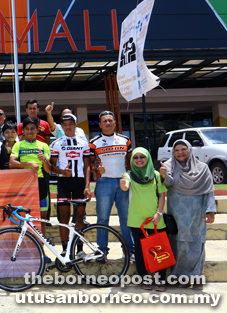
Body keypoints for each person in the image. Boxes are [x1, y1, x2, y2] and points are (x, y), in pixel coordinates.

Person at [161, 139, 217, 290]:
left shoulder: (203, 168)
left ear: (190, 150)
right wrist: (164, 176)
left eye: (183, 149)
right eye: (177, 150)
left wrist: (210, 210)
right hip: (177, 213)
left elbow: (209, 191)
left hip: (197, 213)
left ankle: (197, 277)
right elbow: (168, 183)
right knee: (178, 244)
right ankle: (182, 278)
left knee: (197, 244)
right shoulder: (168, 165)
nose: (180, 153)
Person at [89, 110, 135, 260]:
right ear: (100, 124)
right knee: (102, 218)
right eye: (105, 121)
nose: (108, 123)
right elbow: (90, 164)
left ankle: (129, 250)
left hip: (123, 181)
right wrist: (97, 169)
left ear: (115, 122)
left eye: (110, 120)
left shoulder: (125, 140)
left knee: (126, 218)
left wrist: (129, 178)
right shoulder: (94, 142)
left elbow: (129, 161)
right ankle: (102, 251)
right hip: (104, 182)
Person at [120, 148, 168, 291]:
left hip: (155, 218)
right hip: (136, 220)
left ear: (147, 158)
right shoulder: (129, 175)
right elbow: (125, 186)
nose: (139, 159)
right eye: (136, 157)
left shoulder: (156, 175)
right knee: (140, 251)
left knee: (160, 250)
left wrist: (159, 213)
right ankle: (144, 279)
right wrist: (123, 184)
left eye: (142, 157)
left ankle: (161, 281)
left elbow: (162, 195)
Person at [49, 114, 91, 257]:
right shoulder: (57, 143)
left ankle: (80, 250)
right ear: (62, 126)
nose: (68, 127)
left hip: (79, 182)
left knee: (79, 218)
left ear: (76, 125)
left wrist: (87, 186)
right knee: (64, 217)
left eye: (70, 124)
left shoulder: (84, 143)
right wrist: (62, 171)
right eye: (65, 124)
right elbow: (51, 167)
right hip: (64, 182)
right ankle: (65, 249)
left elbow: (87, 166)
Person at [10, 117, 51, 243]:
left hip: (41, 183)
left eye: (32, 128)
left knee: (41, 219)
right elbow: (11, 163)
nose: (30, 131)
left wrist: (44, 159)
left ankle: (42, 249)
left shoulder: (43, 145)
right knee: (25, 218)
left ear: (37, 129)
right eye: (27, 129)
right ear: (23, 130)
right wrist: (28, 163)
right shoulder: (18, 145)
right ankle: (28, 249)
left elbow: (49, 169)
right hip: (25, 185)